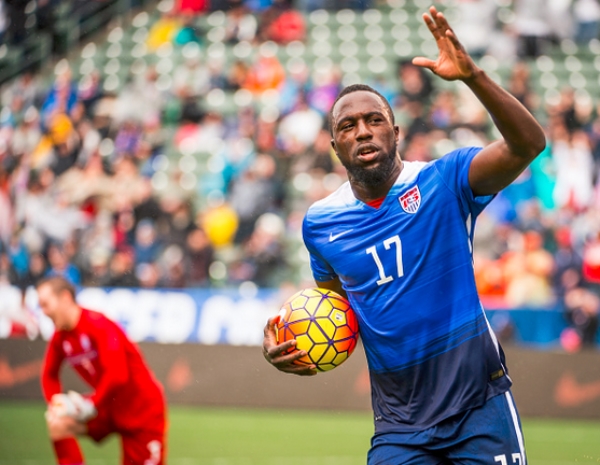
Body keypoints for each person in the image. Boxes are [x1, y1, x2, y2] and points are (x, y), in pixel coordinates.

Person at [262, 7, 546, 464]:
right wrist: (287, 340)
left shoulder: (444, 182)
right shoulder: (320, 224)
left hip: (480, 408)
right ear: (335, 147)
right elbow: (336, 312)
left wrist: (473, 76)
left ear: (394, 132)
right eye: (347, 126)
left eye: (374, 120)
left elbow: (528, 144)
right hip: (399, 427)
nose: (362, 131)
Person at [38, 276, 166, 465]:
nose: (43, 312)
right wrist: (54, 404)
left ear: (65, 298)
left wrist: (91, 404)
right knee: (58, 421)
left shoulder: (99, 325)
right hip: (108, 406)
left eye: (45, 304)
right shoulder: (60, 337)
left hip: (141, 410)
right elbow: (49, 375)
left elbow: (118, 375)